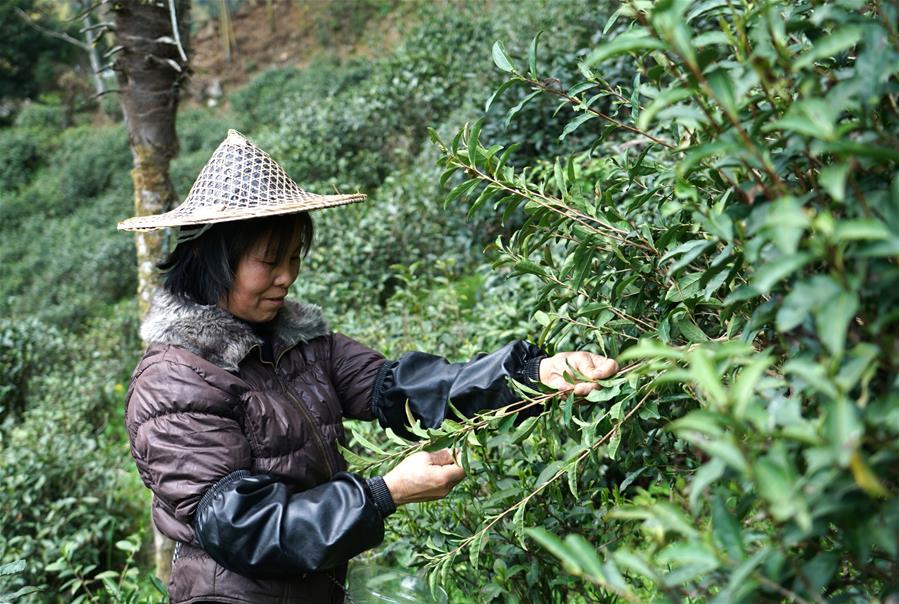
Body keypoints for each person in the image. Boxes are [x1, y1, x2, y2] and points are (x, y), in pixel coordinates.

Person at [118, 130, 619, 604]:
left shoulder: (301, 344)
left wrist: (532, 375)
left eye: (294, 257)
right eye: (270, 261)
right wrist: (385, 493)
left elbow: (402, 388)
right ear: (215, 260)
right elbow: (243, 527)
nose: (287, 277)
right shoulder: (175, 381)